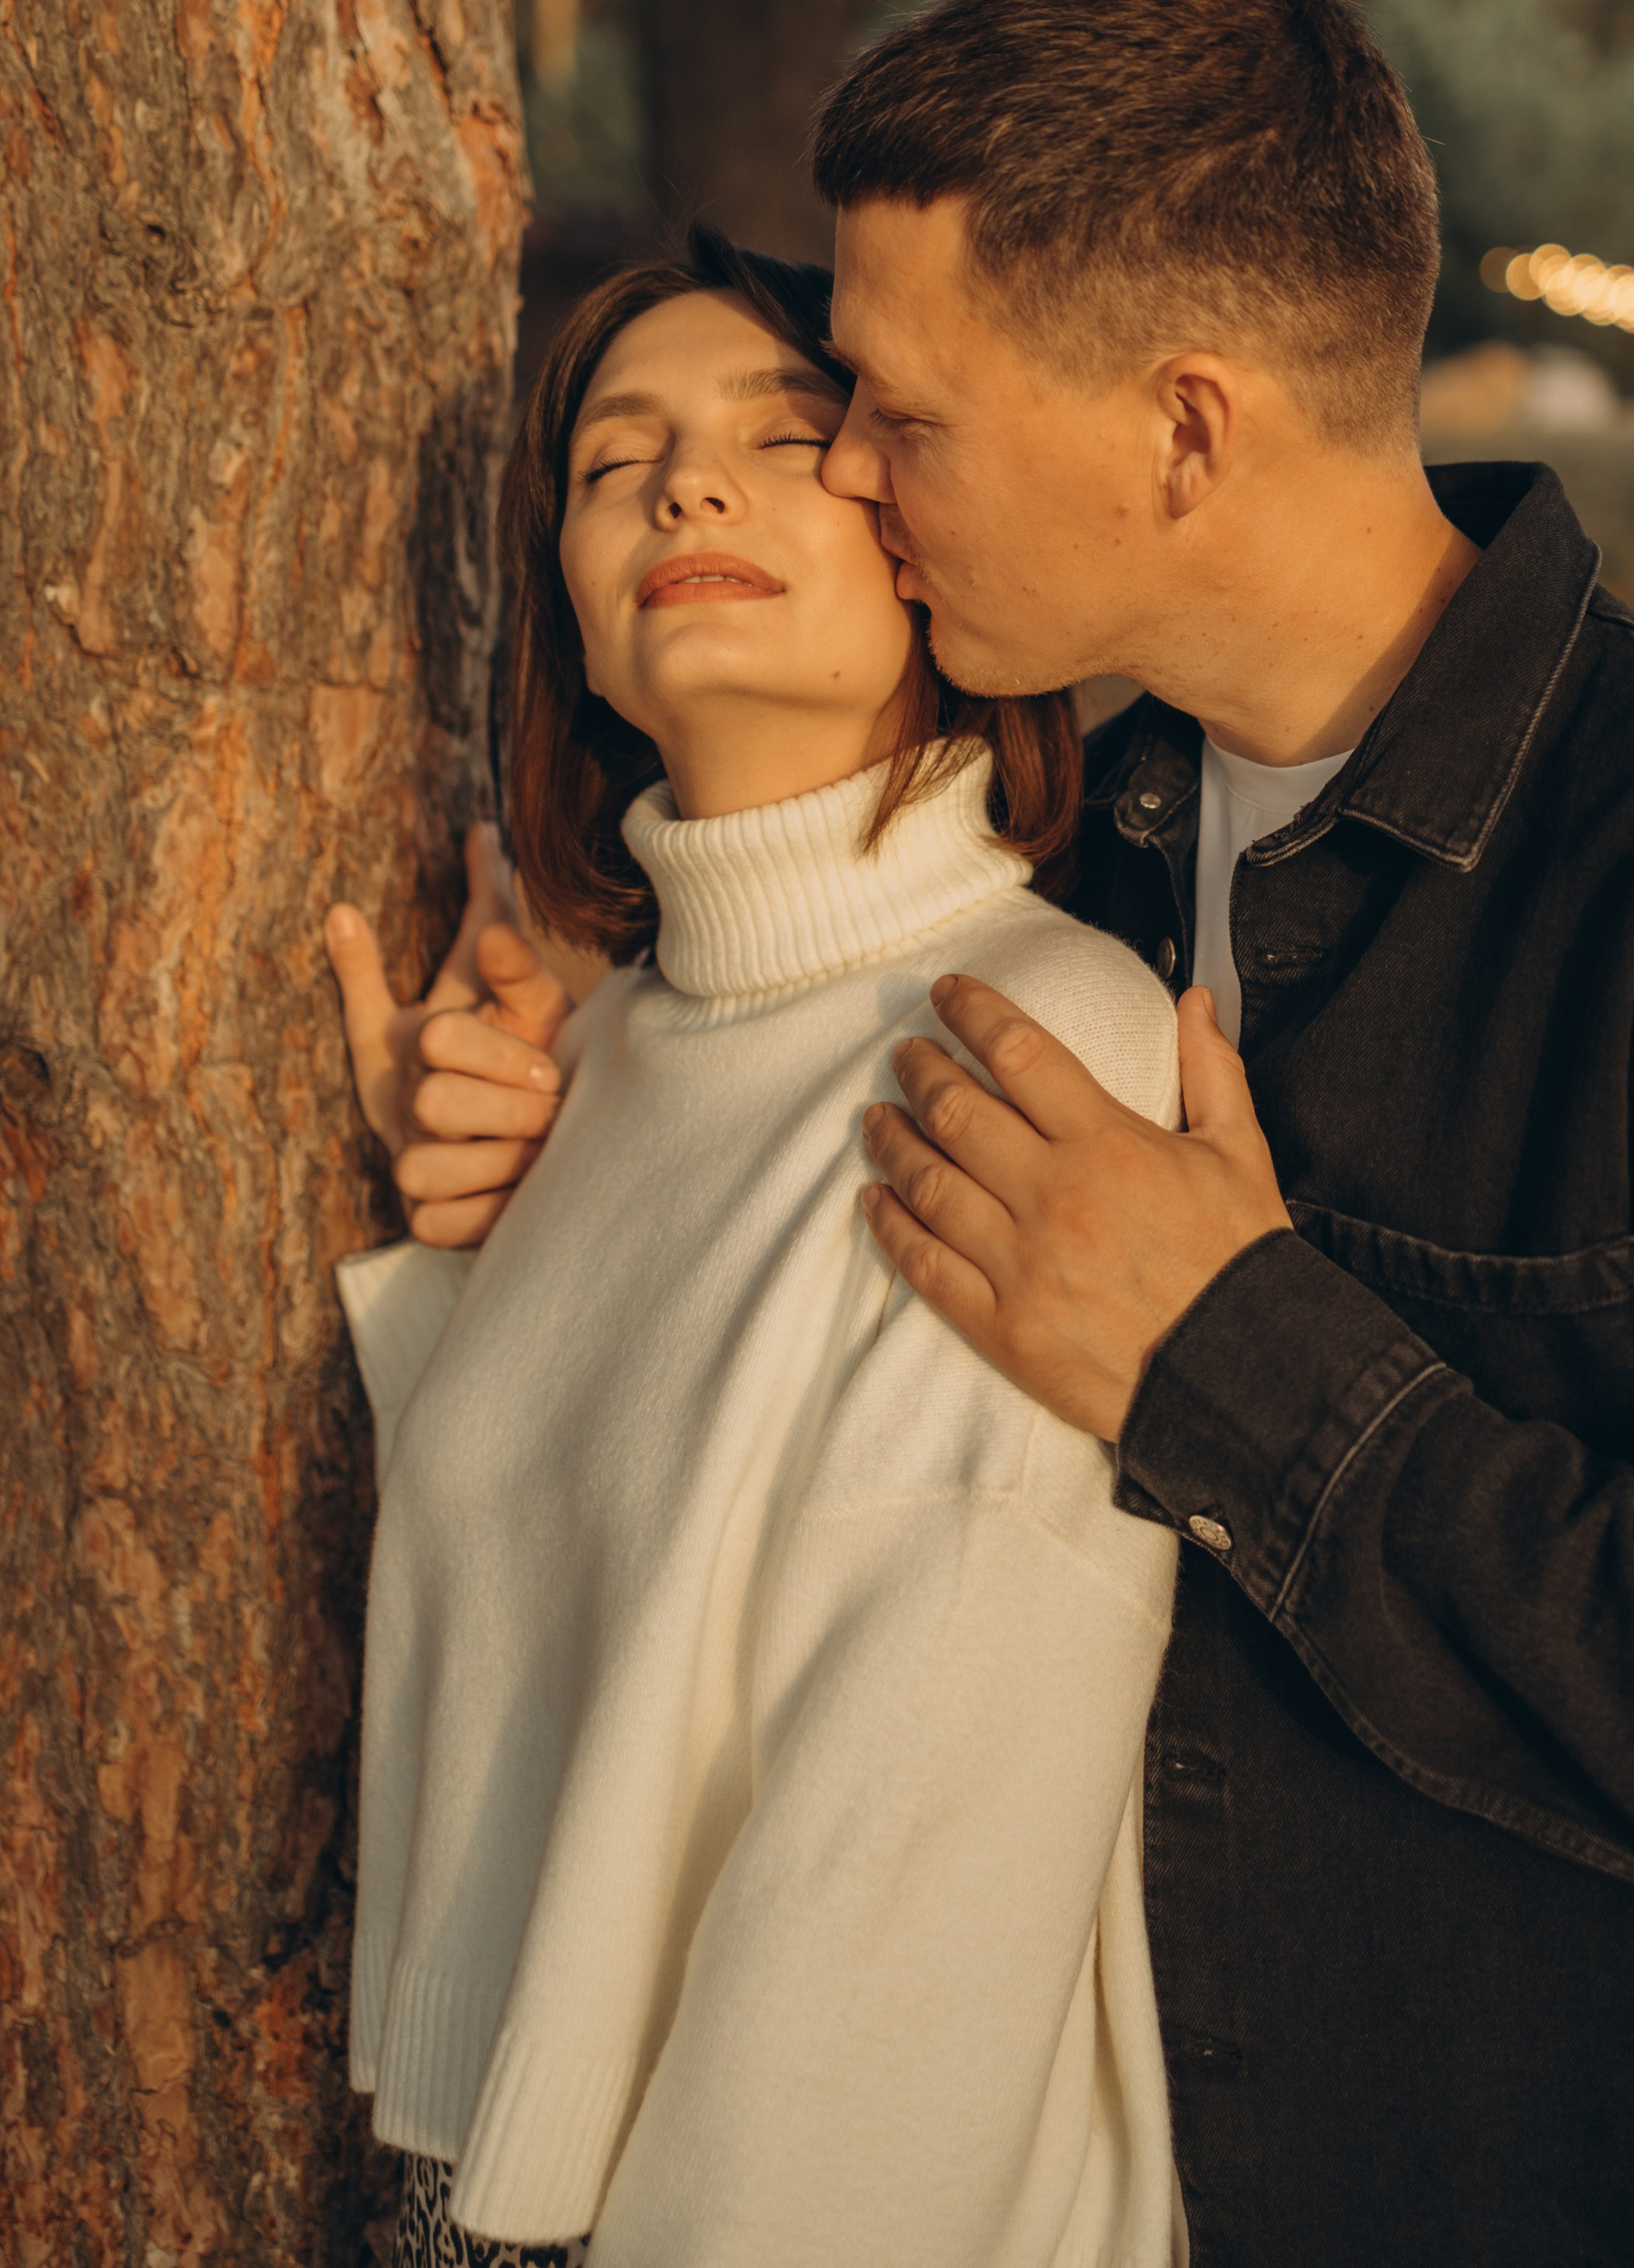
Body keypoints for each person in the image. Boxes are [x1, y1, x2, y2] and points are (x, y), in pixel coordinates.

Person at [361, 0, 1634, 2268]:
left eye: (898, 416)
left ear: (1183, 431)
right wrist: (570, 1100)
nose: (850, 475)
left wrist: (1247, 1374)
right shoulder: (1077, 831)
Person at [328, 232, 1188, 2267]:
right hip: (467, 2175)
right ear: (579, 629)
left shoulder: (1032, 1036)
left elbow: (905, 1852)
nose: (684, 489)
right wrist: (453, 1251)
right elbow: (582, 1572)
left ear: (922, 542)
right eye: (617, 462)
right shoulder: (613, 1040)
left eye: (782, 439)